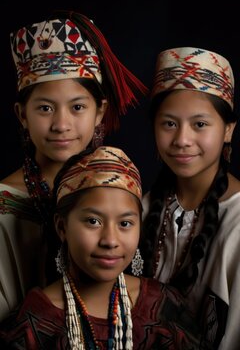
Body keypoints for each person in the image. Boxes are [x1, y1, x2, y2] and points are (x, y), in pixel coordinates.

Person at [0, 10, 147, 321]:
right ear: (22, 115)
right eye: (44, 108)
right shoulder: (4, 208)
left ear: (99, 112)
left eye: (78, 107)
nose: (61, 124)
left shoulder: (123, 194)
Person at [0, 145, 207, 349]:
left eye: (125, 224)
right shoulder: (33, 321)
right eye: (93, 221)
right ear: (62, 227)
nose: (110, 240)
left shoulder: (163, 306)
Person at [140, 46, 240, 349]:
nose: (182, 140)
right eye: (169, 123)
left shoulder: (237, 221)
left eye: (200, 124)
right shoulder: (140, 207)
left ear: (228, 131)